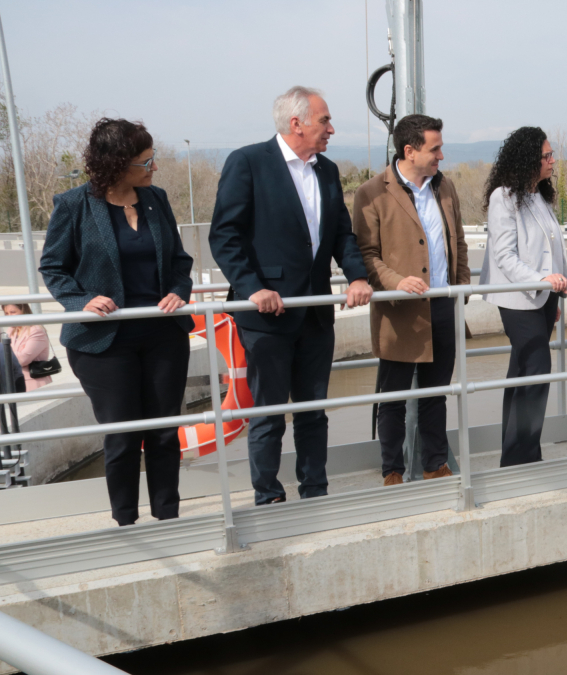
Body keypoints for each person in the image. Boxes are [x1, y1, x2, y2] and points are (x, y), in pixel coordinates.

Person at [209, 86, 372, 505]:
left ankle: (315, 491)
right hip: (268, 316)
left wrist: (357, 276)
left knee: (313, 412)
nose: (331, 129)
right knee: (268, 415)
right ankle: (268, 497)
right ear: (296, 123)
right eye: (325, 120)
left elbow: (342, 235)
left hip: (315, 312)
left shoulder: (327, 170)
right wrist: (252, 288)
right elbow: (225, 236)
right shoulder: (248, 162)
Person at [39, 118, 194, 526]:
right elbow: (53, 268)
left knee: (164, 432)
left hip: (164, 334)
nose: (154, 167)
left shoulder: (156, 199)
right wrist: (82, 300)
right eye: (146, 161)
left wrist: (179, 290)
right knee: (123, 436)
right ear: (118, 163)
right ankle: (126, 524)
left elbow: (180, 261)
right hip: (103, 343)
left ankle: (168, 519)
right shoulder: (73, 204)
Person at [352, 114, 470, 486]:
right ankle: (392, 472)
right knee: (393, 398)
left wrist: (461, 287)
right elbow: (366, 254)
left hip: (442, 305)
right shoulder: (372, 192)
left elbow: (459, 241)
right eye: (435, 149)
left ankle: (435, 465)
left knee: (437, 394)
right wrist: (396, 282)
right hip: (399, 311)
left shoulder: (444, 187)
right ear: (409, 151)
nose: (441, 156)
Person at [478, 127, 567, 467]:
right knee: (538, 368)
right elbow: (504, 256)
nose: (552, 160)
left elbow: (551, 250)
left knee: (521, 374)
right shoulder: (504, 197)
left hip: (544, 298)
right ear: (529, 158)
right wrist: (542, 281)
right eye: (547, 155)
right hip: (518, 299)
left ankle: (517, 457)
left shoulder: (538, 196)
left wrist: (556, 294)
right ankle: (522, 457)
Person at [2, 304, 52, 391]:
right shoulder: (11, 330)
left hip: (33, 382)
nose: (9, 316)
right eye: (6, 313)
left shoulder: (36, 330)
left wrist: (4, 354)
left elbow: (23, 359)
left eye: (13, 312)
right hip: (14, 381)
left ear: (23, 311)